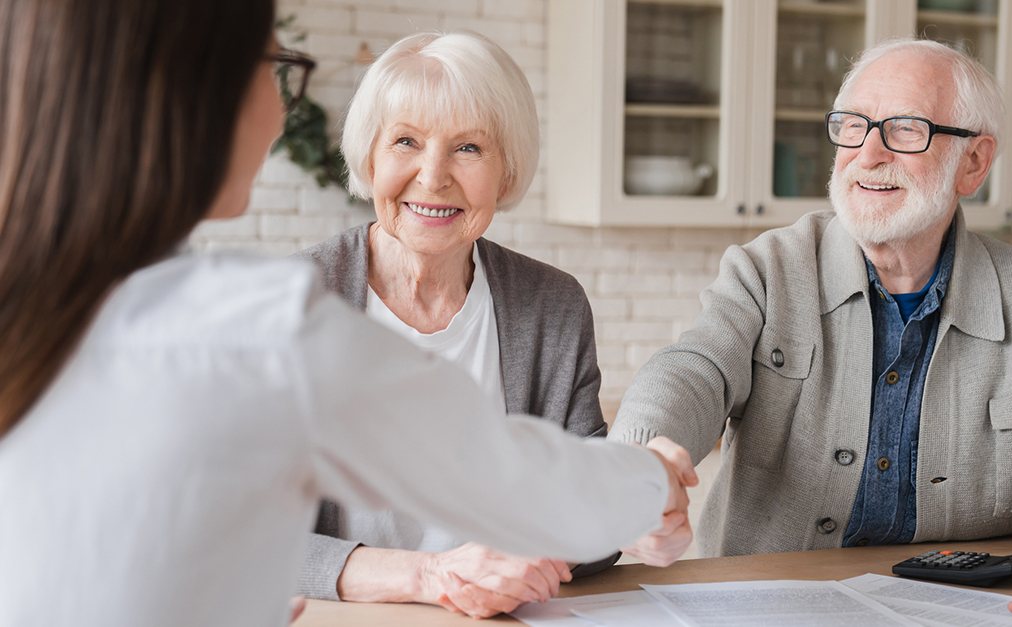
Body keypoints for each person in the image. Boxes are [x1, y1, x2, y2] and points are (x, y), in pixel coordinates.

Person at [0, 2, 698, 626]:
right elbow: (499, 471)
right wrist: (652, 481)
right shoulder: (259, 328)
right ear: (195, 94)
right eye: (273, 68)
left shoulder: (48, 305)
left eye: (468, 146)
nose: (279, 112)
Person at [610, 39, 1012, 627]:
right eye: (853, 126)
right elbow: (694, 369)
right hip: (770, 606)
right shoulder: (768, 269)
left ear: (973, 163)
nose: (868, 153)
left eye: (906, 129)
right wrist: (640, 456)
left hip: (970, 613)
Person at [290, 31, 687, 618]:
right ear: (370, 157)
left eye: (468, 148)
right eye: (405, 141)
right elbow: (235, 536)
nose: (432, 176)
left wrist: (631, 510)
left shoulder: (552, 305)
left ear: (506, 172)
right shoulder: (293, 306)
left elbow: (582, 523)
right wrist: (431, 576)